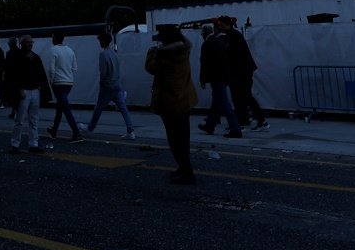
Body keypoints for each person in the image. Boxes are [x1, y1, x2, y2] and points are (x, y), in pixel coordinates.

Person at [145, 24, 198, 185]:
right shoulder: (184, 51)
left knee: (175, 140)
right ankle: (184, 169)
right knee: (183, 138)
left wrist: (152, 52)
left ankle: (186, 172)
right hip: (185, 100)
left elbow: (150, 67)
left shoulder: (164, 57)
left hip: (170, 103)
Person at [219, 16, 269, 131]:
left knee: (242, 97)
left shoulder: (233, 36)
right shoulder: (233, 35)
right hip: (242, 72)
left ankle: (249, 122)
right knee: (242, 97)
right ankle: (248, 121)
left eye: (222, 25)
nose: (220, 27)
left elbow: (236, 57)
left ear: (228, 25)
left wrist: (234, 75)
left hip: (241, 73)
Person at [5, 35, 51, 153]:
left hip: (33, 90)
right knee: (21, 119)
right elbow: (14, 74)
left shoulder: (29, 57)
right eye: (28, 42)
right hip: (26, 90)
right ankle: (18, 144)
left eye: (31, 42)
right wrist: (19, 89)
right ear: (22, 43)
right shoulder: (24, 56)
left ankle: (30, 144)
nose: (30, 44)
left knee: (31, 119)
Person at [198, 23, 243, 138]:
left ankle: (235, 129)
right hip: (224, 76)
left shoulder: (207, 44)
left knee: (224, 102)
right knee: (217, 102)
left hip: (216, 77)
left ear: (204, 34)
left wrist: (202, 80)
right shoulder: (220, 41)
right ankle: (210, 125)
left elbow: (204, 64)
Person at [87, 32, 135, 139]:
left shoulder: (103, 54)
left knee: (99, 108)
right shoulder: (114, 53)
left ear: (102, 41)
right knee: (123, 108)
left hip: (107, 86)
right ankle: (131, 131)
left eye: (100, 41)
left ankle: (90, 128)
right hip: (117, 85)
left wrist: (102, 84)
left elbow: (103, 73)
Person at [46, 31, 83, 143]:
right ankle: (54, 131)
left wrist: (51, 81)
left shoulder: (53, 50)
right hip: (69, 82)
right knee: (60, 107)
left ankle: (77, 133)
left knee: (65, 108)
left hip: (58, 82)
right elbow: (74, 67)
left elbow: (51, 69)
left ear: (55, 38)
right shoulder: (70, 50)